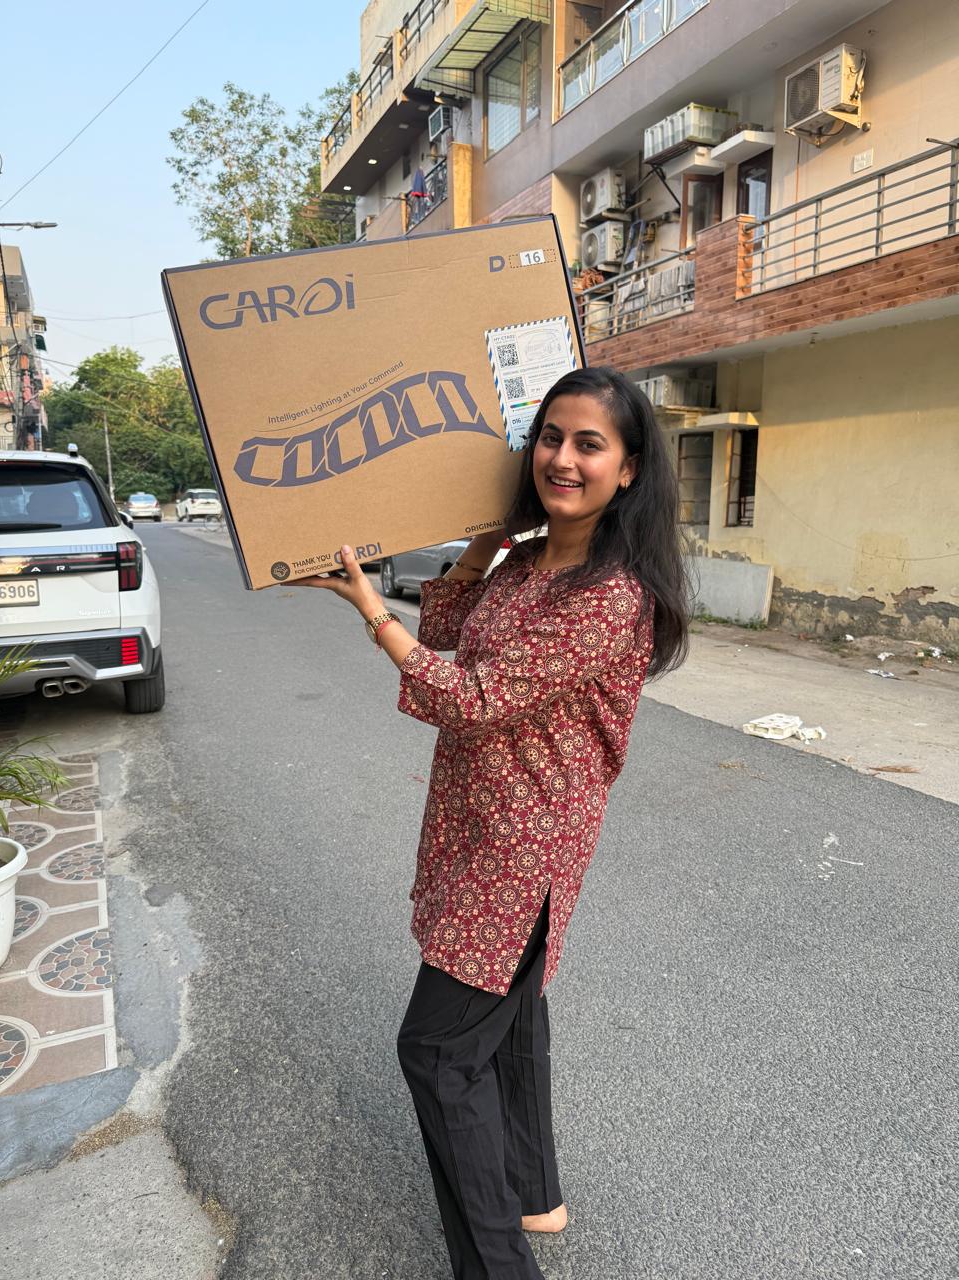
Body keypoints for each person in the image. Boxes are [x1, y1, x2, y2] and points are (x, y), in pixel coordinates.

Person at [295, 366, 689, 1279]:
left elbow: (469, 698)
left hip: (522, 850)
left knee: (436, 1050)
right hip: (477, 825)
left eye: (590, 444)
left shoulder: (609, 595)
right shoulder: (528, 560)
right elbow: (447, 635)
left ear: (629, 468)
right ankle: (533, 1194)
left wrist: (371, 612)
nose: (563, 458)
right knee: (510, 1020)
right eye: (551, 437)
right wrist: (480, 543)